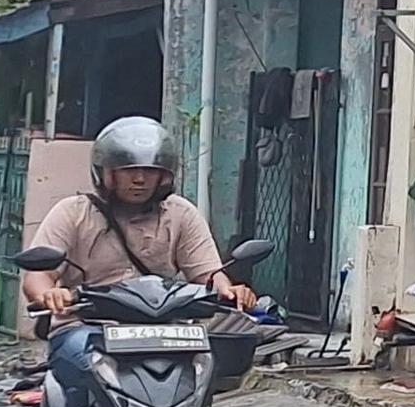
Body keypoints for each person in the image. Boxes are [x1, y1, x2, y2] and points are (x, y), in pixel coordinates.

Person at [20, 117, 254, 319]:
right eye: (129, 170)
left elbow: (208, 275)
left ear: (164, 175)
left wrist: (230, 291)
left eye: (150, 170)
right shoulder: (72, 212)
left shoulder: (180, 213)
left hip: (161, 327)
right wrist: (49, 294)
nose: (140, 179)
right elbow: (37, 277)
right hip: (85, 325)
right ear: (107, 173)